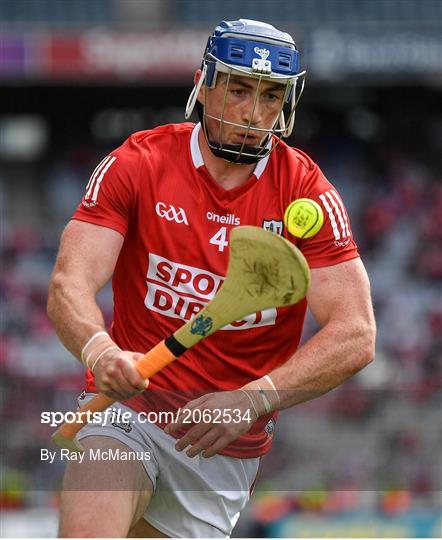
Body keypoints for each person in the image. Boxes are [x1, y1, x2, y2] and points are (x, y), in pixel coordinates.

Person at [47, 19, 376, 538]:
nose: (253, 112)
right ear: (204, 86)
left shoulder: (306, 194)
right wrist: (99, 351)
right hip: (130, 414)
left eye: (271, 96)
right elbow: (70, 281)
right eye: (240, 89)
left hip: (223, 448)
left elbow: (356, 333)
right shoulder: (138, 163)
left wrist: (254, 398)